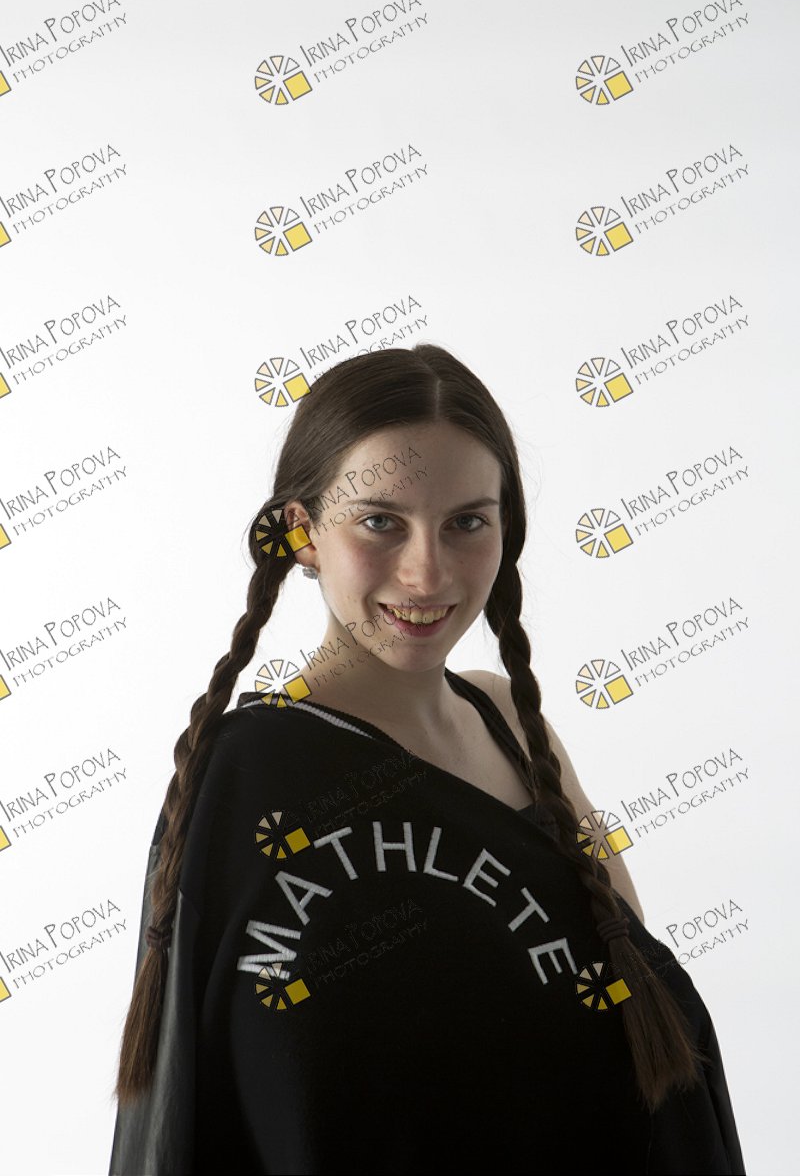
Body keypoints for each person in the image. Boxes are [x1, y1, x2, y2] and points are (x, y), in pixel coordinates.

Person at [108, 344, 746, 1175]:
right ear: (302, 533)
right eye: (381, 521)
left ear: (506, 529)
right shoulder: (247, 773)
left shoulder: (515, 727)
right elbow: (220, 1114)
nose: (426, 571)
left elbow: (643, 993)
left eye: (466, 522)